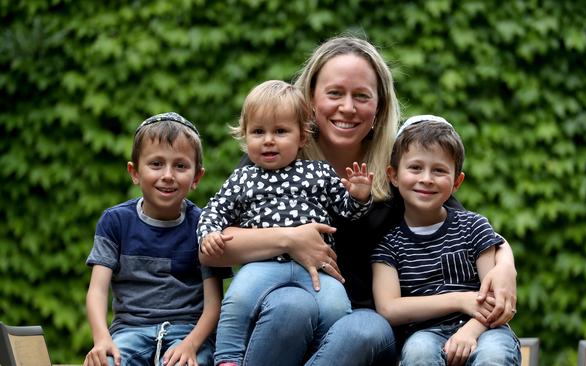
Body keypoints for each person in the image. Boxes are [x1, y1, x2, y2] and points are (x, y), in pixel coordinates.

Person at [200, 35, 518, 366]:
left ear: (379, 108)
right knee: (291, 304)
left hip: (365, 330)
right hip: (282, 322)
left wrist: (506, 265)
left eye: (361, 96)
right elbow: (213, 243)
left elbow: (465, 227)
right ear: (310, 101)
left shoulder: (398, 171)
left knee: (364, 328)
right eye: (335, 93)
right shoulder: (273, 158)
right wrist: (289, 239)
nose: (348, 107)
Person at [197, 79, 374, 366]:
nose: (268, 140)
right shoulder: (243, 177)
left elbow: (346, 212)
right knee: (238, 299)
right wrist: (208, 234)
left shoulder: (318, 172)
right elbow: (214, 211)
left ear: (302, 137)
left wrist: (359, 197)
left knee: (337, 307)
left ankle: (318, 356)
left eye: (280, 131)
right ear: (244, 136)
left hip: (317, 268)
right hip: (262, 264)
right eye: (258, 132)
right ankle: (227, 358)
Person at [371, 115, 520, 366]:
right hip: (425, 334)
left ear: (456, 182)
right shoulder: (389, 245)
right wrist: (460, 299)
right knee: (418, 351)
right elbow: (389, 309)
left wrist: (469, 332)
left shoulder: (474, 227)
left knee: (494, 354)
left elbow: (497, 300)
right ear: (393, 176)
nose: (426, 178)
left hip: (484, 329)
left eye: (439, 170)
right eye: (415, 167)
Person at [84, 112, 231, 366]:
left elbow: (214, 303)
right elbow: (97, 290)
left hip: (187, 334)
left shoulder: (205, 226)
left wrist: (191, 345)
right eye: (156, 164)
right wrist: (101, 339)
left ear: (197, 177)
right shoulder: (114, 222)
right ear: (135, 172)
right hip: (129, 331)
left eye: (181, 166)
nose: (168, 175)